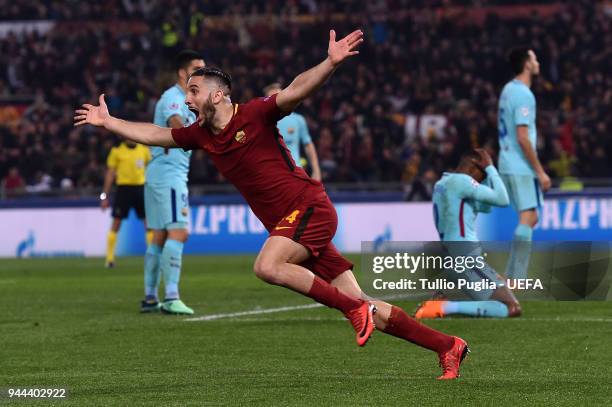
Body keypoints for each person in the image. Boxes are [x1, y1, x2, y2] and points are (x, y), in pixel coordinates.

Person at [75, 29, 469, 380]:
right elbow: (157, 133)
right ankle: (446, 346)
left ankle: (353, 312)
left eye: (193, 92)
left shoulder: (256, 114)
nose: (187, 98)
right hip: (291, 222)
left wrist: (329, 64)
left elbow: (297, 89)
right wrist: (110, 123)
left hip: (309, 207)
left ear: (217, 94)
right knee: (365, 301)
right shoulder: (201, 134)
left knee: (267, 266)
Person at [415, 149, 522, 319]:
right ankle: (444, 306)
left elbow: (486, 206)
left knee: (499, 287)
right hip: (465, 259)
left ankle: (441, 297)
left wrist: (486, 176)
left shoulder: (442, 184)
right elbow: (503, 199)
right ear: (474, 167)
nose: (482, 179)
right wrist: (491, 169)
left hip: (450, 260)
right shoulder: (462, 182)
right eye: (482, 173)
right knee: (511, 307)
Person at [141, 50, 205, 315]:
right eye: (197, 69)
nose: (203, 73)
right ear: (182, 73)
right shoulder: (173, 97)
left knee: (159, 236)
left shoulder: (190, 100)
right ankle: (171, 296)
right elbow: (177, 125)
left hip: (163, 172)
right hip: (168, 174)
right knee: (179, 232)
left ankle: (149, 297)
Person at [498, 47, 551, 281]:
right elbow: (522, 137)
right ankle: (516, 278)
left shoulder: (508, 90)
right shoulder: (523, 95)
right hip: (519, 164)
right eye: (535, 57)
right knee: (528, 217)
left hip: (507, 160)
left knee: (530, 217)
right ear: (527, 64)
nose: (538, 62)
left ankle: (511, 276)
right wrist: (540, 171)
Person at [101, 140, 151, 268]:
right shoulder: (117, 151)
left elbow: (151, 169)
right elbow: (110, 174)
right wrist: (104, 196)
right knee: (116, 223)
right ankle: (110, 259)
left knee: (149, 223)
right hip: (123, 189)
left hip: (141, 188)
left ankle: (152, 257)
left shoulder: (144, 150)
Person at [263, 82, 321, 181]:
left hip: (295, 175)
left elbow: (308, 145)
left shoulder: (298, 120)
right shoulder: (261, 122)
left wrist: (316, 170)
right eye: (272, 98)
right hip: (271, 177)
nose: (276, 100)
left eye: (278, 96)